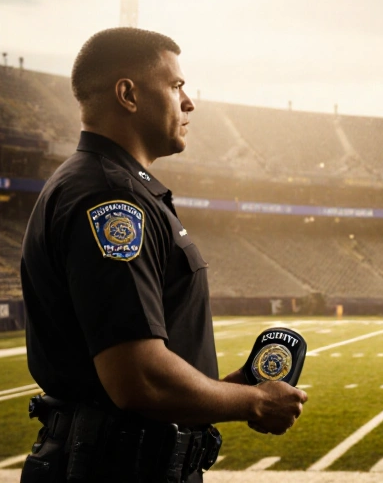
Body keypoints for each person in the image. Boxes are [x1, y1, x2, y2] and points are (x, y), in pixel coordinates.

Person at [20, 28, 307, 482]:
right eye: (175, 86)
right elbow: (137, 377)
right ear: (128, 94)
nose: (188, 102)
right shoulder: (113, 198)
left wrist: (219, 390)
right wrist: (254, 402)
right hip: (116, 470)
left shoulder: (101, 183)